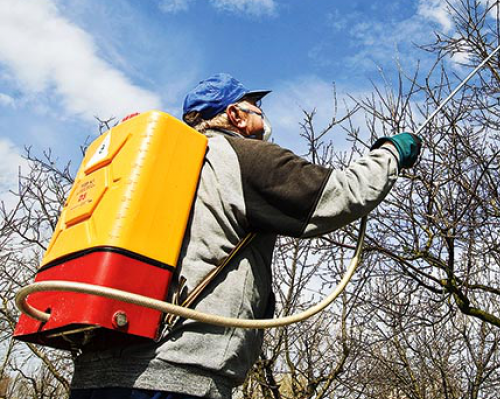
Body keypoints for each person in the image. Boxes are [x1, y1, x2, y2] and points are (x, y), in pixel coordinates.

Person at [69, 73, 421, 399]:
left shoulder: (153, 166)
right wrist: (390, 153)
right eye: (257, 109)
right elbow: (342, 194)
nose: (264, 117)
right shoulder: (242, 156)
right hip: (178, 377)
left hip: (92, 371)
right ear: (236, 115)